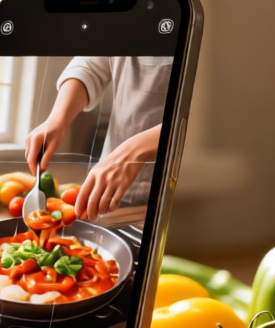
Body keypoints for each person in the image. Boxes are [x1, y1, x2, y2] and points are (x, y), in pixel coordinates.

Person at [24, 56, 172, 220]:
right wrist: (56, 119)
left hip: (177, 194)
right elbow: (89, 65)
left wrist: (133, 152)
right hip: (108, 189)